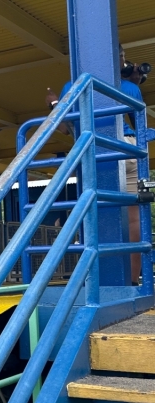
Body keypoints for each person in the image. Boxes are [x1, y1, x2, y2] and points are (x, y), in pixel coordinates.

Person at [45, 46, 146, 283]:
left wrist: (53, 104)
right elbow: (138, 121)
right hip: (128, 148)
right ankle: (131, 281)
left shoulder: (71, 86)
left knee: (95, 212)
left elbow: (62, 126)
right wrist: (133, 83)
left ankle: (98, 279)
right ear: (118, 60)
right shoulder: (130, 87)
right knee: (134, 219)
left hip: (95, 148)